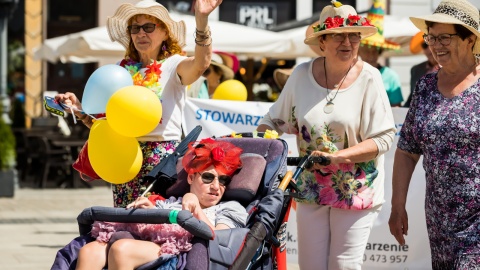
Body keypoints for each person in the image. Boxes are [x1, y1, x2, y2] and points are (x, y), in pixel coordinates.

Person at [256, 1, 396, 269]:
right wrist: (264, 144)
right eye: (338, 35)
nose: (347, 42)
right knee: (310, 266)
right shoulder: (300, 75)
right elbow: (272, 121)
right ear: (322, 42)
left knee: (344, 266)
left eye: (353, 35)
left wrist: (337, 157)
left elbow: (383, 139)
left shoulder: (370, 77)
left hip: (356, 189)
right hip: (310, 187)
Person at [54, 0, 222, 207]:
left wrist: (202, 20)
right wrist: (79, 110)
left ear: (165, 32)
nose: (141, 33)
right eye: (135, 28)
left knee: (154, 222)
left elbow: (201, 63)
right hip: (123, 155)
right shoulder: (120, 70)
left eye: (149, 27)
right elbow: (108, 123)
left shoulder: (173, 64)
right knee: (123, 219)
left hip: (160, 157)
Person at [388, 0, 480, 268]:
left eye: (444, 37)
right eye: (432, 37)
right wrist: (397, 206)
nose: (435, 45)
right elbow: (406, 151)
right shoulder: (426, 86)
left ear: (469, 39)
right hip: (440, 221)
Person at [75, 138, 248, 270]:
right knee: (90, 251)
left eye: (223, 180)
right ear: (191, 177)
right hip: (148, 242)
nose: (216, 186)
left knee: (122, 249)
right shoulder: (171, 202)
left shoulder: (230, 207)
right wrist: (147, 211)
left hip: (183, 252)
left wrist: (195, 208)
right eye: (208, 177)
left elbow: (221, 240)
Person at [358, 0, 404, 107]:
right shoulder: (350, 74)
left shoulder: (391, 77)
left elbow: (396, 109)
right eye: (366, 50)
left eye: (375, 51)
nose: (371, 55)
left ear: (380, 52)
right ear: (358, 50)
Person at [403, 31, 440, 107]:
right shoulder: (416, 70)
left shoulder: (450, 68)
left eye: (431, 42)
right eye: (425, 45)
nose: (429, 48)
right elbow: (412, 98)